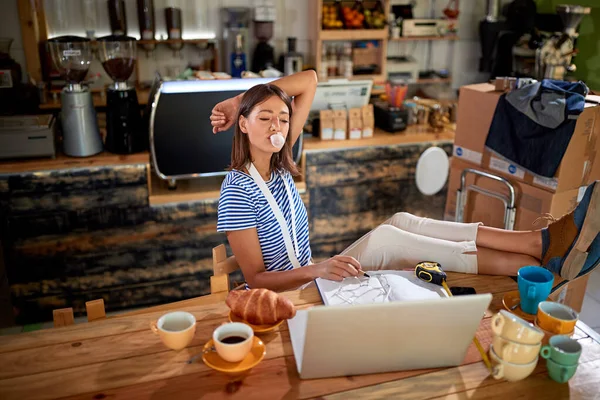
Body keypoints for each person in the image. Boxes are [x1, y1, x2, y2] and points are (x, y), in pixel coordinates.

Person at [212, 70, 600, 292]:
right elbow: (256, 279)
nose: (277, 126)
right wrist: (318, 268)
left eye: (282, 117)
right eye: (263, 118)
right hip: (297, 293)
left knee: (402, 221)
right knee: (388, 240)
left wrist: (239, 101)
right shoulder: (237, 190)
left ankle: (536, 248)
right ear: (244, 127)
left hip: (314, 275)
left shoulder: (280, 161)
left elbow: (309, 81)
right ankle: (535, 261)